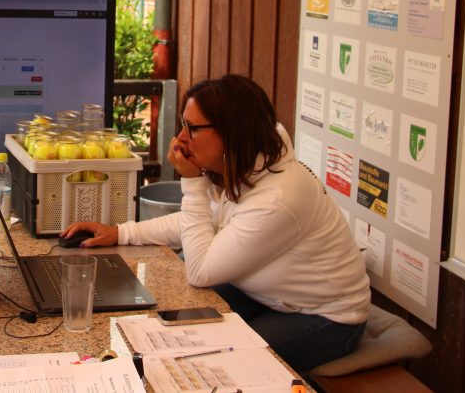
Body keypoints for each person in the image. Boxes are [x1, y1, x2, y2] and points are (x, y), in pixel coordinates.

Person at [61, 75, 370, 373]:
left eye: (193, 128)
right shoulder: (245, 164)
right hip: (264, 294)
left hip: (326, 316)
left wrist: (192, 181)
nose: (181, 139)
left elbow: (200, 271)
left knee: (211, 364)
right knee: (166, 327)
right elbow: (199, 221)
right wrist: (121, 232)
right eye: (183, 124)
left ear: (231, 133)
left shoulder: (278, 197)